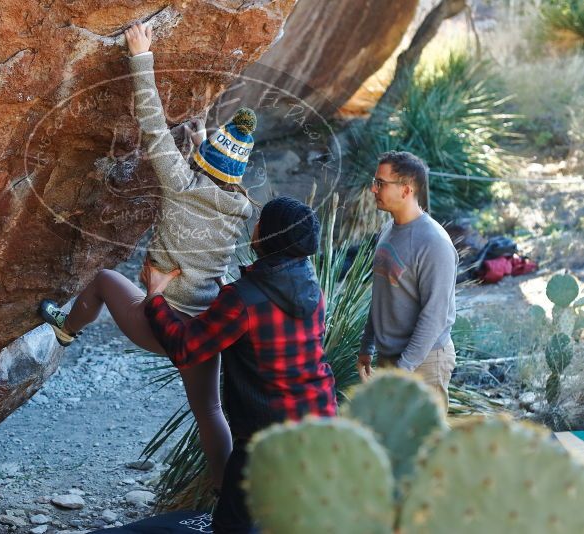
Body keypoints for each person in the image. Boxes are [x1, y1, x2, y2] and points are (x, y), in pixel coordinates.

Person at [38, 23, 256, 490]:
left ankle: (65, 329)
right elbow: (221, 177)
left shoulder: (180, 184)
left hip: (160, 321)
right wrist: (202, 144)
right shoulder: (241, 208)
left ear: (201, 165)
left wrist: (141, 55)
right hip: (202, 330)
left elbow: (153, 122)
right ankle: (225, 493)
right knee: (210, 411)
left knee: (100, 280)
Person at [142, 196, 337, 534]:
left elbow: (186, 348)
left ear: (268, 237)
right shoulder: (312, 290)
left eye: (261, 221)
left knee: (233, 527)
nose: (255, 225)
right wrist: (230, 292)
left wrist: (156, 297)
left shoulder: (243, 300)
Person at [357, 151, 458, 412]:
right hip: (390, 359)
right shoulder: (388, 230)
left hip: (423, 363)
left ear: (406, 189)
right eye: (374, 181)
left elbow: (434, 315)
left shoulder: (434, 243)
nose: (373, 189)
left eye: (381, 183)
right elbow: (381, 296)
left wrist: (403, 370)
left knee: (425, 448)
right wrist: (367, 344)